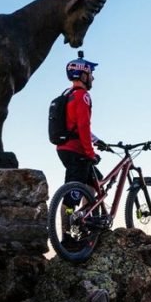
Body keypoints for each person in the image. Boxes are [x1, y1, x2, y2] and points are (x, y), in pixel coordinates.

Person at [55, 56, 108, 239]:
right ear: (83, 75)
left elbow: (76, 126)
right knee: (72, 195)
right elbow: (84, 128)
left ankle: (87, 222)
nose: (92, 78)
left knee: (95, 182)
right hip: (76, 151)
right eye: (90, 74)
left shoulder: (68, 95)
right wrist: (90, 153)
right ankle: (67, 237)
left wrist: (98, 141)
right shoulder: (82, 96)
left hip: (65, 148)